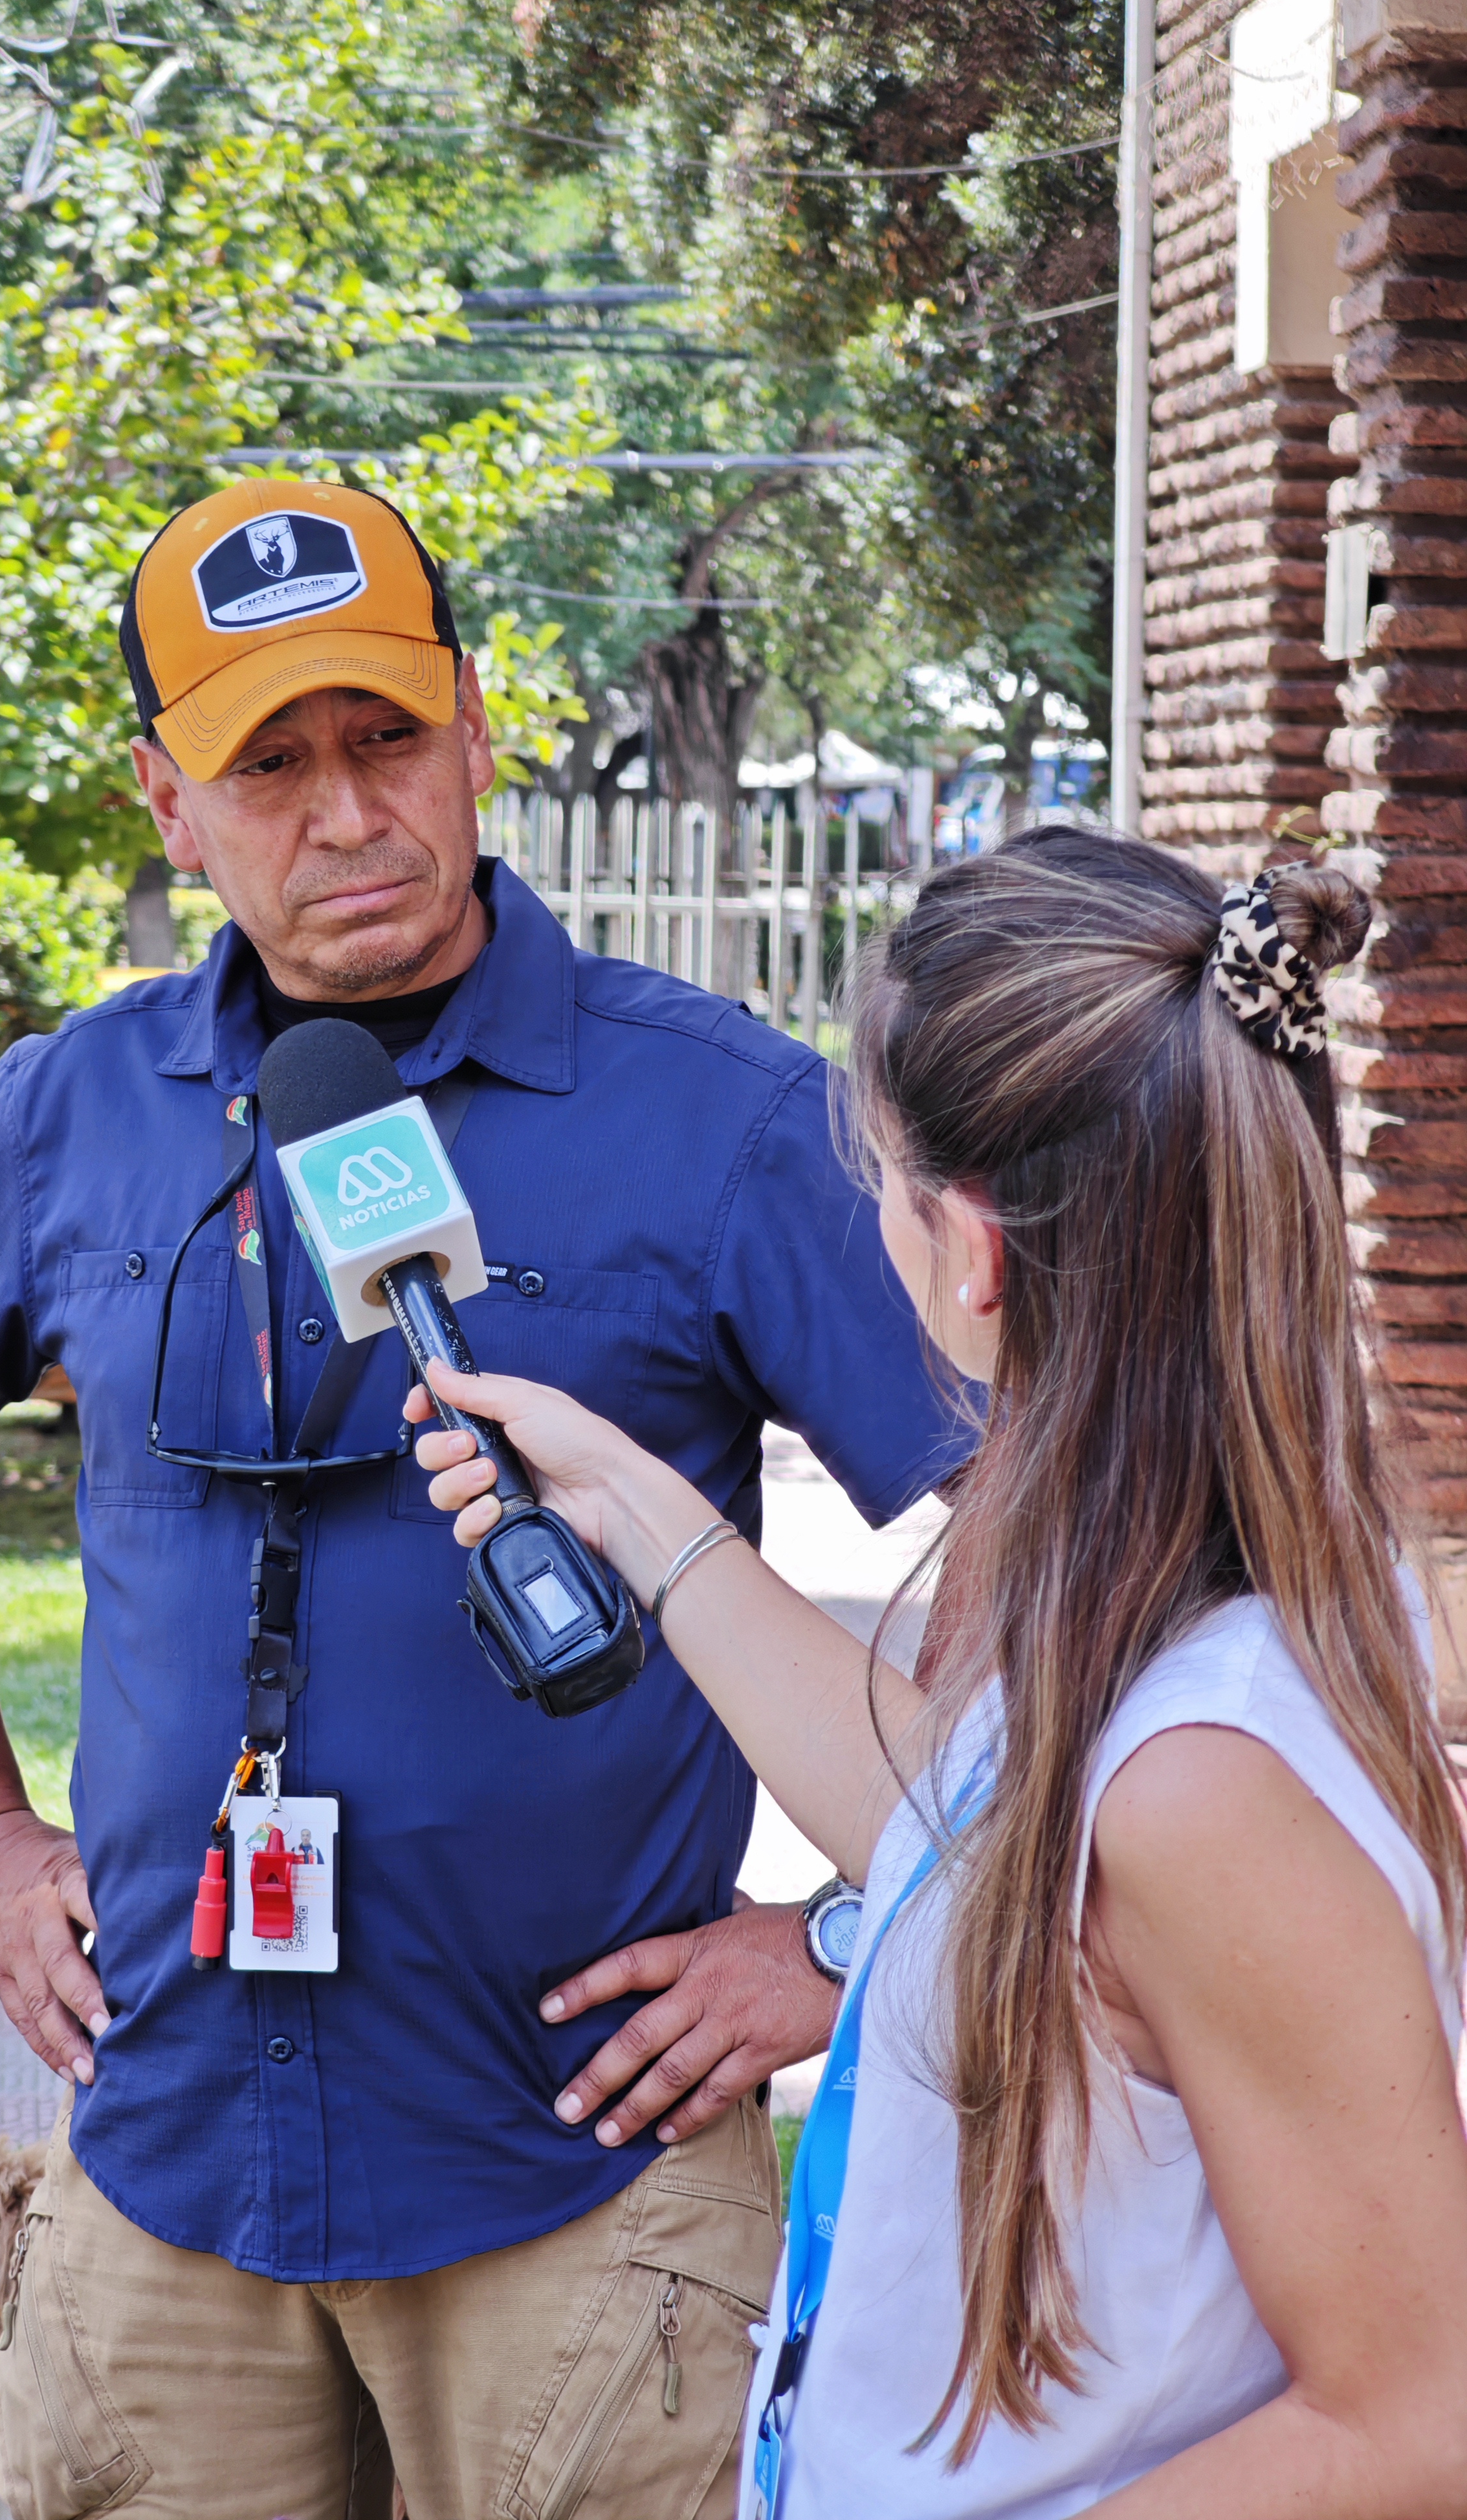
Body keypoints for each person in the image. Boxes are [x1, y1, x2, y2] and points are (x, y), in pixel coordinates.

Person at [0, 476, 967, 2520]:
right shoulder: (76, 1109)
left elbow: (1043, 1503)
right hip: (166, 2166)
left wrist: (856, 1931)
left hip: (583, 2182)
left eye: (387, 738)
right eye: (271, 765)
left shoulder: (722, 1115)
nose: (347, 814)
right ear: (169, 806)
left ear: (476, 729)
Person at [415, 829, 1467, 2519]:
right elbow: (954, 1852)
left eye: (880, 1185)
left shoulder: (1209, 1779)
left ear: (970, 1250)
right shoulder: (1129, 1605)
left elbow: (1419, 2418)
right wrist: (621, 1499)